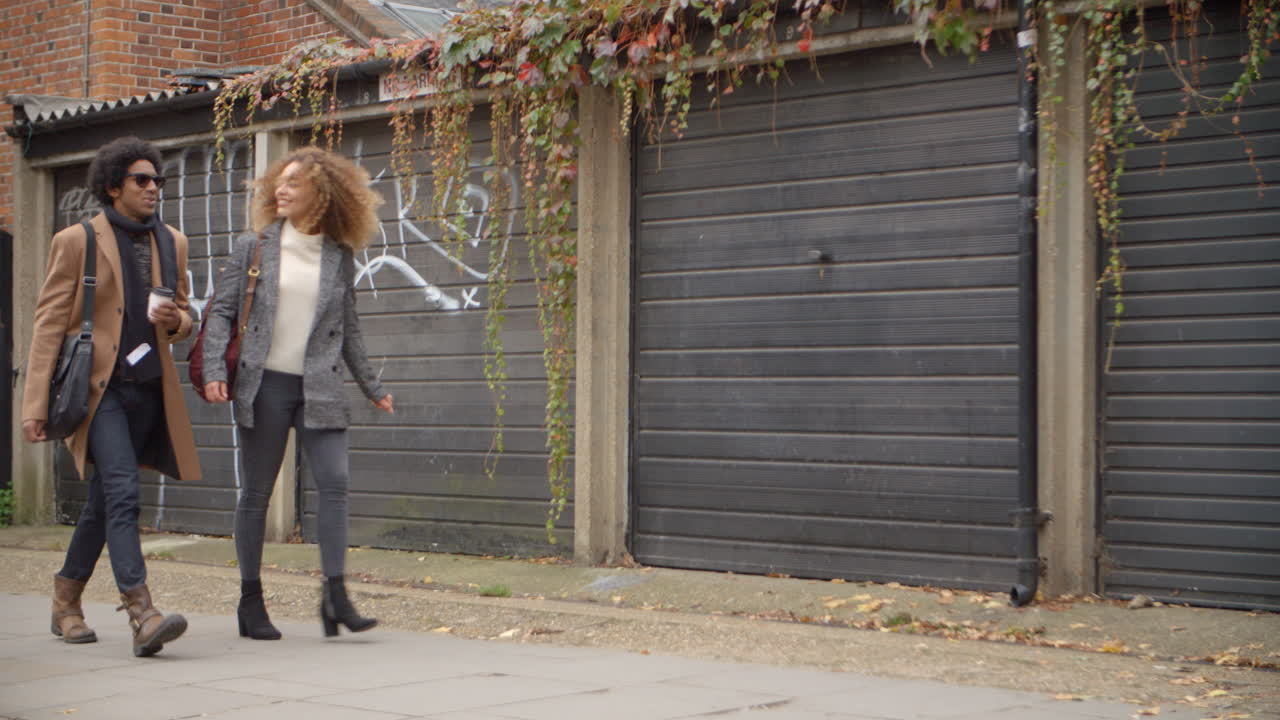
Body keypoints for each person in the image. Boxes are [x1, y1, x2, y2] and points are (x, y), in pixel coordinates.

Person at [201, 146, 394, 640]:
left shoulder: (338, 256)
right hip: (263, 385)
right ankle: (250, 601)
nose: (280, 189)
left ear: (321, 192)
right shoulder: (255, 247)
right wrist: (212, 368)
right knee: (257, 494)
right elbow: (221, 311)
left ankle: (335, 595)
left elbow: (348, 328)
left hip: (320, 386)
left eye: (293, 182)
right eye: (279, 182)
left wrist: (373, 386)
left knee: (335, 483)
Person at [22, 136, 201, 657]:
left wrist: (178, 321)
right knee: (122, 493)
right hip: (99, 395)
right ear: (113, 185)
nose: (152, 189)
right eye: (141, 180)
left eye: (157, 181)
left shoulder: (172, 241)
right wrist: (35, 408)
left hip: (149, 392)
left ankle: (65, 599)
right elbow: (49, 323)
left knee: (105, 502)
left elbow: (186, 316)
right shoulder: (76, 240)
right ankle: (142, 612)